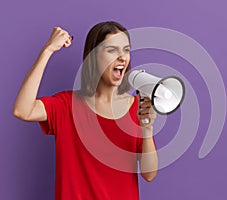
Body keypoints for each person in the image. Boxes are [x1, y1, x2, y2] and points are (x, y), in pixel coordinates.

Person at [13, 21, 158, 200]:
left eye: (126, 49)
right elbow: (22, 110)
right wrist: (48, 50)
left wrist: (147, 129)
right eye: (112, 50)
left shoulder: (138, 108)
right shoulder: (66, 105)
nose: (122, 57)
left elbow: (149, 174)